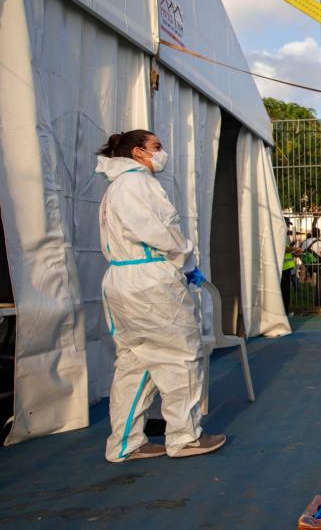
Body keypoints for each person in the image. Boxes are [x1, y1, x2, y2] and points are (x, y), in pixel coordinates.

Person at [96, 129, 225, 461]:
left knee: (135, 362)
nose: (161, 152)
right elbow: (158, 232)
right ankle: (184, 437)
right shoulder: (138, 183)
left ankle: (125, 442)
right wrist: (186, 258)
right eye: (156, 146)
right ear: (138, 152)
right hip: (149, 279)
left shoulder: (115, 188)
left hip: (121, 279)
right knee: (180, 356)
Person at [299, 228, 321, 308]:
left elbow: (301, 253)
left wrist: (305, 262)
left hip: (308, 264)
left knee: (308, 281)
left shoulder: (305, 242)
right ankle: (319, 302)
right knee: (320, 282)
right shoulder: (320, 242)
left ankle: (306, 300)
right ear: (319, 234)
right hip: (318, 264)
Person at [281, 218, 299, 314]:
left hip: (287, 267)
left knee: (286, 290)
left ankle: (285, 310)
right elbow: (282, 248)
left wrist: (293, 252)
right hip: (282, 267)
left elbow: (286, 250)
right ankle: (284, 311)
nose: (288, 226)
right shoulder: (280, 234)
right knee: (284, 291)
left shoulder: (285, 235)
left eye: (289, 224)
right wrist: (294, 249)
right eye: (287, 224)